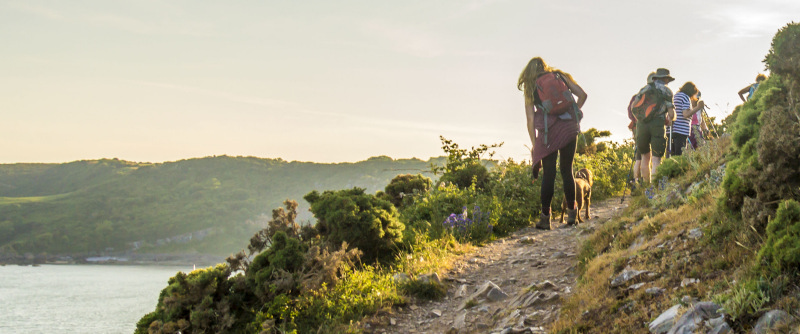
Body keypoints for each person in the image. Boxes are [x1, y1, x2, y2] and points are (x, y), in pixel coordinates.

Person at [518, 57, 587, 229]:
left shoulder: (531, 87)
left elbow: (530, 119)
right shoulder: (560, 76)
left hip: (548, 133)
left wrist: (535, 144)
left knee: (549, 174)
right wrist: (574, 110)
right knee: (567, 170)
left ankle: (545, 218)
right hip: (570, 128)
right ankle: (572, 214)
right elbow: (583, 95)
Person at [635, 68, 675, 183]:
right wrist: (670, 117)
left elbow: (635, 106)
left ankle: (646, 188)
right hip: (657, 125)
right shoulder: (667, 91)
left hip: (642, 125)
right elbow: (671, 114)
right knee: (656, 158)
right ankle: (655, 188)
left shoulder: (644, 89)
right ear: (666, 79)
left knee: (644, 157)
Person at [628, 72, 656, 184]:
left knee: (640, 156)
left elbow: (630, 112)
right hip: (648, 128)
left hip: (638, 128)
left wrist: (637, 120)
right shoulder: (656, 97)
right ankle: (646, 183)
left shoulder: (637, 96)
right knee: (646, 157)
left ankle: (637, 183)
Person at [670, 82, 704, 156]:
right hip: (681, 130)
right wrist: (698, 107)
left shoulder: (676, 96)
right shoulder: (685, 97)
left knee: (672, 155)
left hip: (672, 129)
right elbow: (685, 114)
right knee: (680, 156)